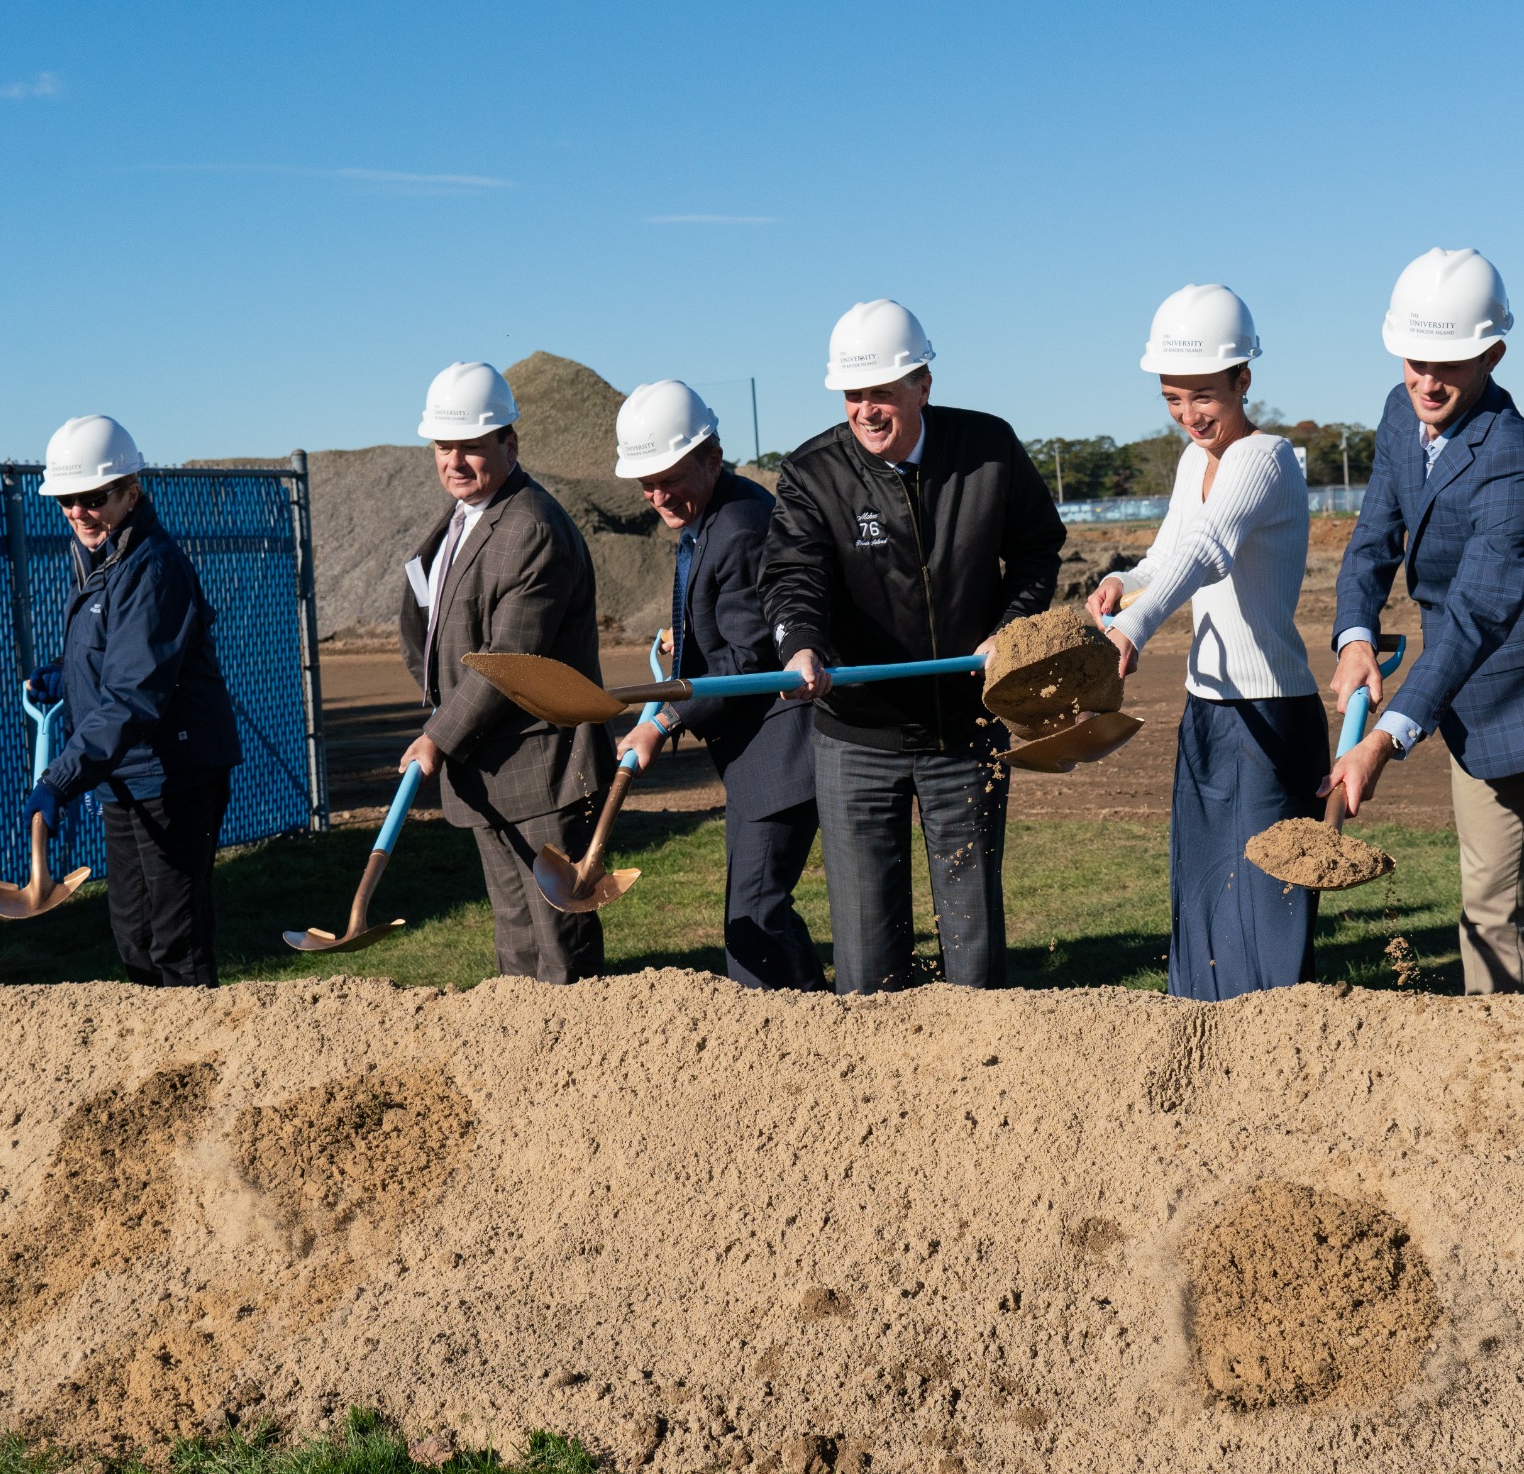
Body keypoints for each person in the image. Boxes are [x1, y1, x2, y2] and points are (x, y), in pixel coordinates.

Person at [1328, 250, 1524, 1007]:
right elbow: (1375, 533)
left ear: (1492, 355)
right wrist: (1353, 635)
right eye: (1415, 361)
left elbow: (1476, 613)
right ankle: (1500, 1082)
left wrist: (1385, 737)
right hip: (1479, 707)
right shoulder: (1397, 413)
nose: (1427, 383)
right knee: (1486, 904)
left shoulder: (1519, 464)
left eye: (1450, 364)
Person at [763, 300, 1063, 994]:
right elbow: (793, 575)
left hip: (967, 729)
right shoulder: (812, 473)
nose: (866, 410)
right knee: (867, 953)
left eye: (882, 393)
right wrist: (801, 645)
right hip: (856, 735)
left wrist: (1013, 629)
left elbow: (1037, 548)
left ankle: (979, 1075)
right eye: (853, 394)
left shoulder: (989, 449)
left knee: (973, 937)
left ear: (922, 384)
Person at [1085, 286, 1324, 1000]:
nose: (1189, 416)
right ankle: (1203, 1055)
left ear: (1243, 379)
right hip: (1209, 711)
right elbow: (1170, 553)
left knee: (1263, 906)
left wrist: (1136, 626)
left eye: (1203, 396)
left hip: (1270, 715)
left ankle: (1275, 1065)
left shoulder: (1266, 458)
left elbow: (1214, 549)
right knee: (1202, 893)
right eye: (1172, 399)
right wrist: (1122, 584)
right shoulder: (1195, 463)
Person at [397, 361, 616, 983]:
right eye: (444, 446)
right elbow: (429, 625)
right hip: (490, 763)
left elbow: (508, 661)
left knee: (557, 940)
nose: (455, 461)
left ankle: (577, 1062)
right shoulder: (458, 522)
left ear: (510, 443)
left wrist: (440, 734)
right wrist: (438, 704)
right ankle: (521, 1062)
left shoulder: (531, 528)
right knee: (516, 939)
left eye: (472, 446)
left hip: (541, 768)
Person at [613, 380, 825, 991]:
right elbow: (730, 622)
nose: (657, 495)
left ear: (711, 456)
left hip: (781, 752)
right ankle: (825, 1022)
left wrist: (660, 721)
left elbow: (751, 660)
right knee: (766, 908)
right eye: (645, 484)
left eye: (669, 477)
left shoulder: (739, 526)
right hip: (763, 754)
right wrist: (690, 641)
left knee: (751, 920)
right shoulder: (714, 511)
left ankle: (773, 1051)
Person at [29, 415, 241, 988]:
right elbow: (114, 655)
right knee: (134, 932)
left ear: (130, 492)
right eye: (66, 499)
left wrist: (61, 777)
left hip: (174, 775)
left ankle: (198, 1057)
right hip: (125, 774)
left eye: (93, 497)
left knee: (175, 936)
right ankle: (153, 1062)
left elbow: (133, 695)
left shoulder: (152, 567)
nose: (77, 511)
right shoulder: (101, 560)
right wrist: (64, 674)